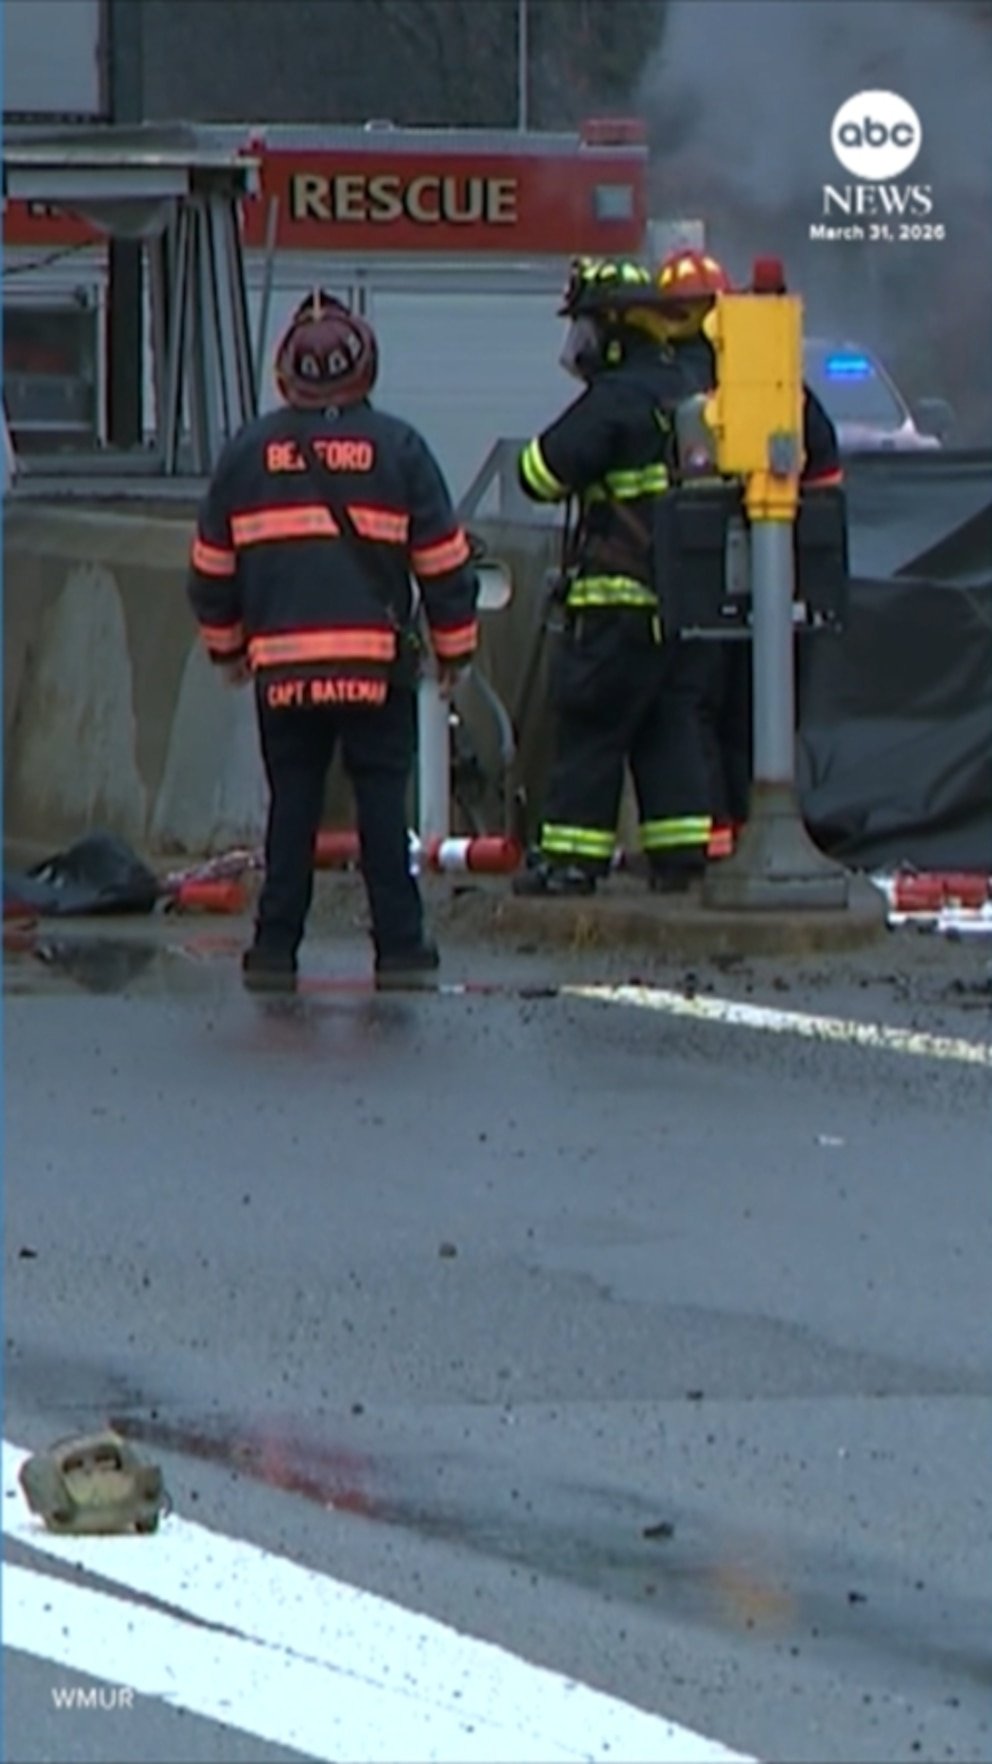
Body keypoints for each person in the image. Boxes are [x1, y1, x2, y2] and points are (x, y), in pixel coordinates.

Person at [186, 292, 479, 992]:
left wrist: (228, 654)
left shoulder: (247, 452)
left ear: (287, 372)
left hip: (283, 670)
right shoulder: (400, 448)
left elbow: (210, 571)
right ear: (365, 368)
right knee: (383, 807)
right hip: (375, 666)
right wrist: (455, 652)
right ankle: (402, 949)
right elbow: (443, 563)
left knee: (292, 805)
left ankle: (274, 949)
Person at [512, 257, 714, 898]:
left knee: (593, 727)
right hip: (685, 605)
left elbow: (538, 473)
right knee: (668, 726)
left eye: (588, 328)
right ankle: (680, 857)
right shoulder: (688, 388)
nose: (580, 346)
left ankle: (572, 862)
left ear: (616, 328)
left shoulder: (617, 399)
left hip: (617, 601)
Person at [653, 247, 843, 829]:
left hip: (696, 585)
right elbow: (825, 488)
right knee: (757, 716)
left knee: (693, 710)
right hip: (776, 587)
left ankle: (718, 835)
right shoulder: (781, 386)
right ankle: (749, 831)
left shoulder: (661, 387)